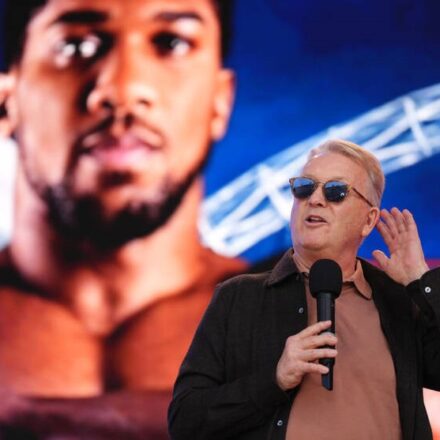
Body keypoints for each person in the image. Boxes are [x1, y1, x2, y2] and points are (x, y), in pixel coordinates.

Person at [0, 0, 247, 438]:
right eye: (75, 46)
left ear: (220, 102)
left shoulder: (316, 318)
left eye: (171, 43)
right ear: (7, 102)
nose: (123, 88)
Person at [169, 139, 440, 440]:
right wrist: (274, 379)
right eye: (304, 188)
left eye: (335, 191)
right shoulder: (238, 298)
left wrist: (422, 282)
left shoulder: (398, 301)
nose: (315, 199)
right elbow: (185, 420)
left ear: (369, 221)